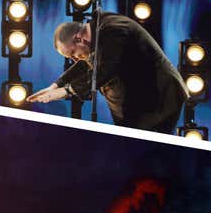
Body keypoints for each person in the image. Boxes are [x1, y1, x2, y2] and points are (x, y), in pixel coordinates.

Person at [27, 11, 188, 133]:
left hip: (160, 100)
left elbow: (104, 70)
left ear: (79, 39)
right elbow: (86, 64)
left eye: (73, 54)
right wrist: (55, 86)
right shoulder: (98, 33)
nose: (75, 59)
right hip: (143, 104)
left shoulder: (113, 30)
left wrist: (67, 91)